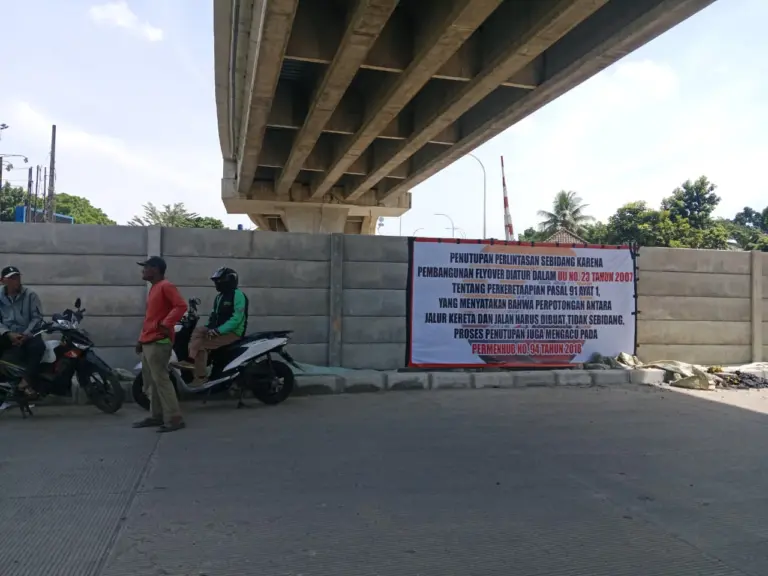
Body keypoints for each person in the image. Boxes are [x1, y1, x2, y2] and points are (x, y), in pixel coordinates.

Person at [132, 256, 188, 433]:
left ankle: (175, 418)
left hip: (159, 342)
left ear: (155, 269)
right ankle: (156, 416)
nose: (143, 270)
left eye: (145, 267)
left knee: (161, 380)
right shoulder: (155, 288)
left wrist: (166, 324)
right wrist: (141, 341)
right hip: (149, 342)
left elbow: (181, 306)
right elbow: (150, 318)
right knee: (151, 383)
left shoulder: (166, 286)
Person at [175, 267, 248, 386]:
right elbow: (214, 315)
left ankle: (201, 377)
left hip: (233, 333)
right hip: (218, 330)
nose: (216, 284)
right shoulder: (219, 297)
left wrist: (218, 330)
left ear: (228, 281)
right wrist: (209, 328)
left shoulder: (238, 295)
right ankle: (189, 361)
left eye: (219, 281)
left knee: (201, 346)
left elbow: (237, 319)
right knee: (198, 331)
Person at [0, 266, 46, 398]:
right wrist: (8, 333)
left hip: (27, 334)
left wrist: (25, 334)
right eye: (12, 278)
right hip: (7, 334)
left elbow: (37, 318)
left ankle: (25, 383)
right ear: (3, 281)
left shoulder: (30, 295)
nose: (16, 281)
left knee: (38, 347)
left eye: (17, 277)